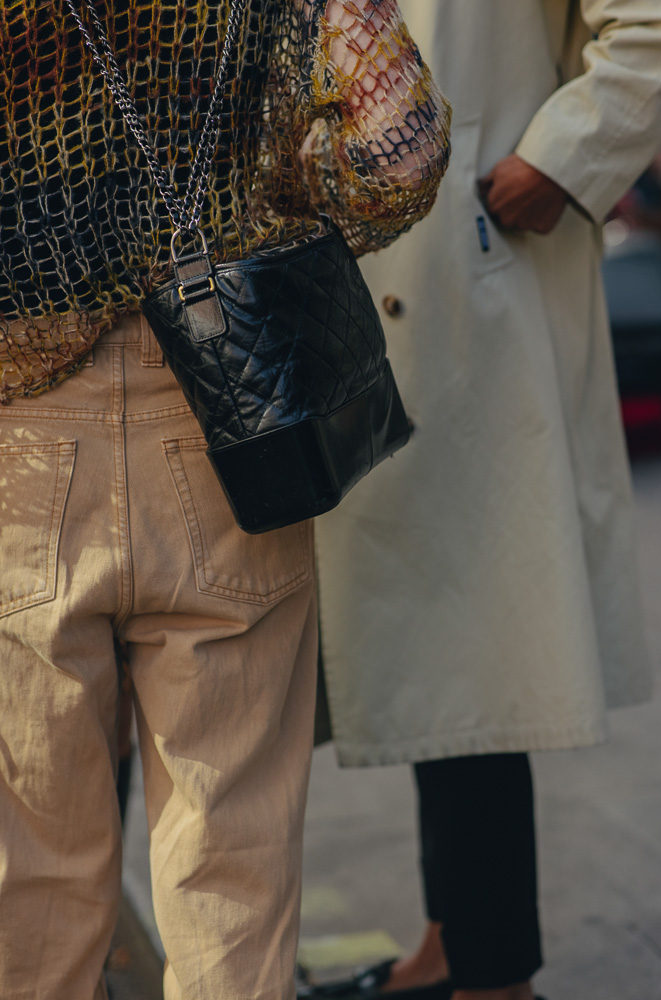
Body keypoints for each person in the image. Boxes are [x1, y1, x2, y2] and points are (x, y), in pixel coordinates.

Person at [0, 2, 450, 998]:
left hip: (20, 453)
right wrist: (282, 200)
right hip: (226, 423)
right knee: (230, 867)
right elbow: (396, 160)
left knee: (25, 873)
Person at [311, 3, 661, 1000]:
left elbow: (649, 25)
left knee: (468, 647)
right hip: (349, 281)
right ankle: (456, 946)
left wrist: (560, 159)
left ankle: (492, 975)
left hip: (468, 283)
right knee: (440, 651)